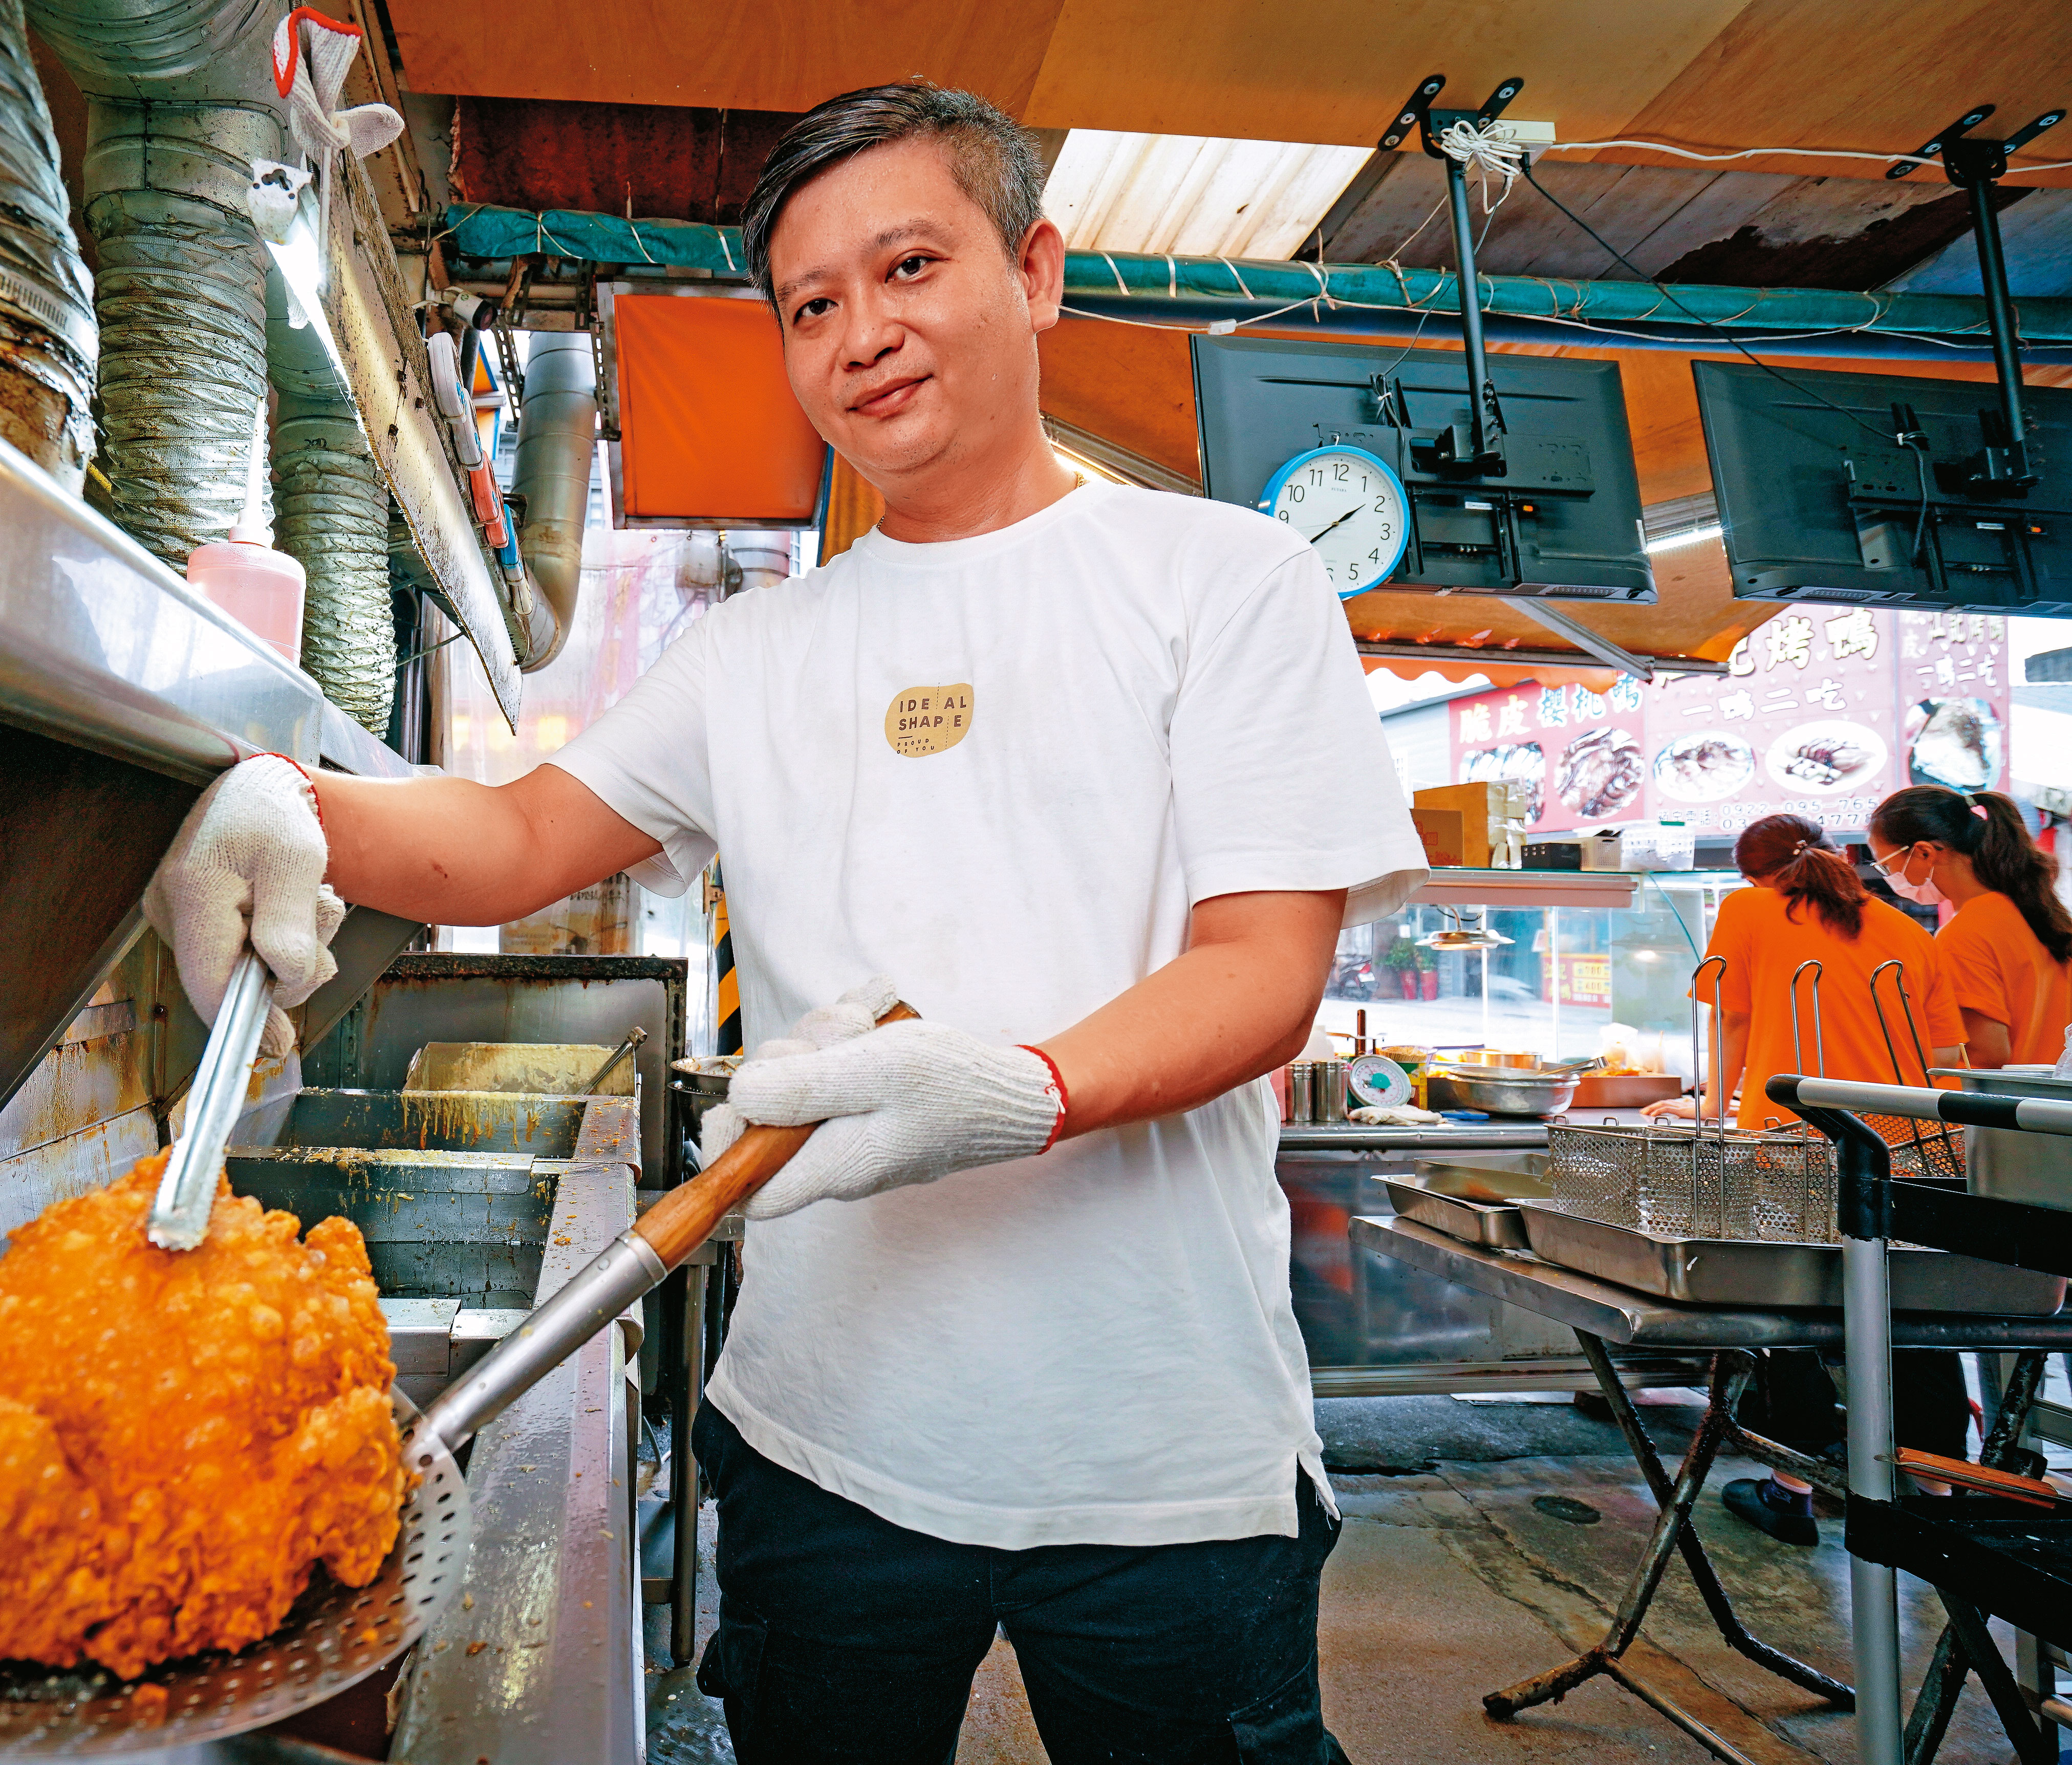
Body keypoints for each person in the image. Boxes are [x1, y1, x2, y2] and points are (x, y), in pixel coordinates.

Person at [142, 81, 1423, 1765]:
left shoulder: (1221, 583)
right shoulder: (755, 650)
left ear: (1031, 271)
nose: (861, 332)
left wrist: (1018, 1084)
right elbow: (523, 832)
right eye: (811, 303)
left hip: (1156, 1444)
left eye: (908, 267)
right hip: (821, 1428)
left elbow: (1260, 972)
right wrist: (288, 801)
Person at [1644, 813, 1965, 1544]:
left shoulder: (1749, 908)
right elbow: (1944, 1049)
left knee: (1794, 1309)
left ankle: (1792, 1488)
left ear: (1754, 874)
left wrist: (1707, 1100)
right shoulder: (1908, 930)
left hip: (1796, 1141)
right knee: (1913, 1314)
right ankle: (1943, 1494)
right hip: (1908, 1148)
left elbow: (1729, 1020)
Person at [1869, 784, 2072, 1069]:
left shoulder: (1965, 935)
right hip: (2052, 1102)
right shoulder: (2034, 910)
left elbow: (1986, 1054)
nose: (1891, 878)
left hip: (2009, 1108)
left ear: (1925, 853)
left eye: (1887, 867)